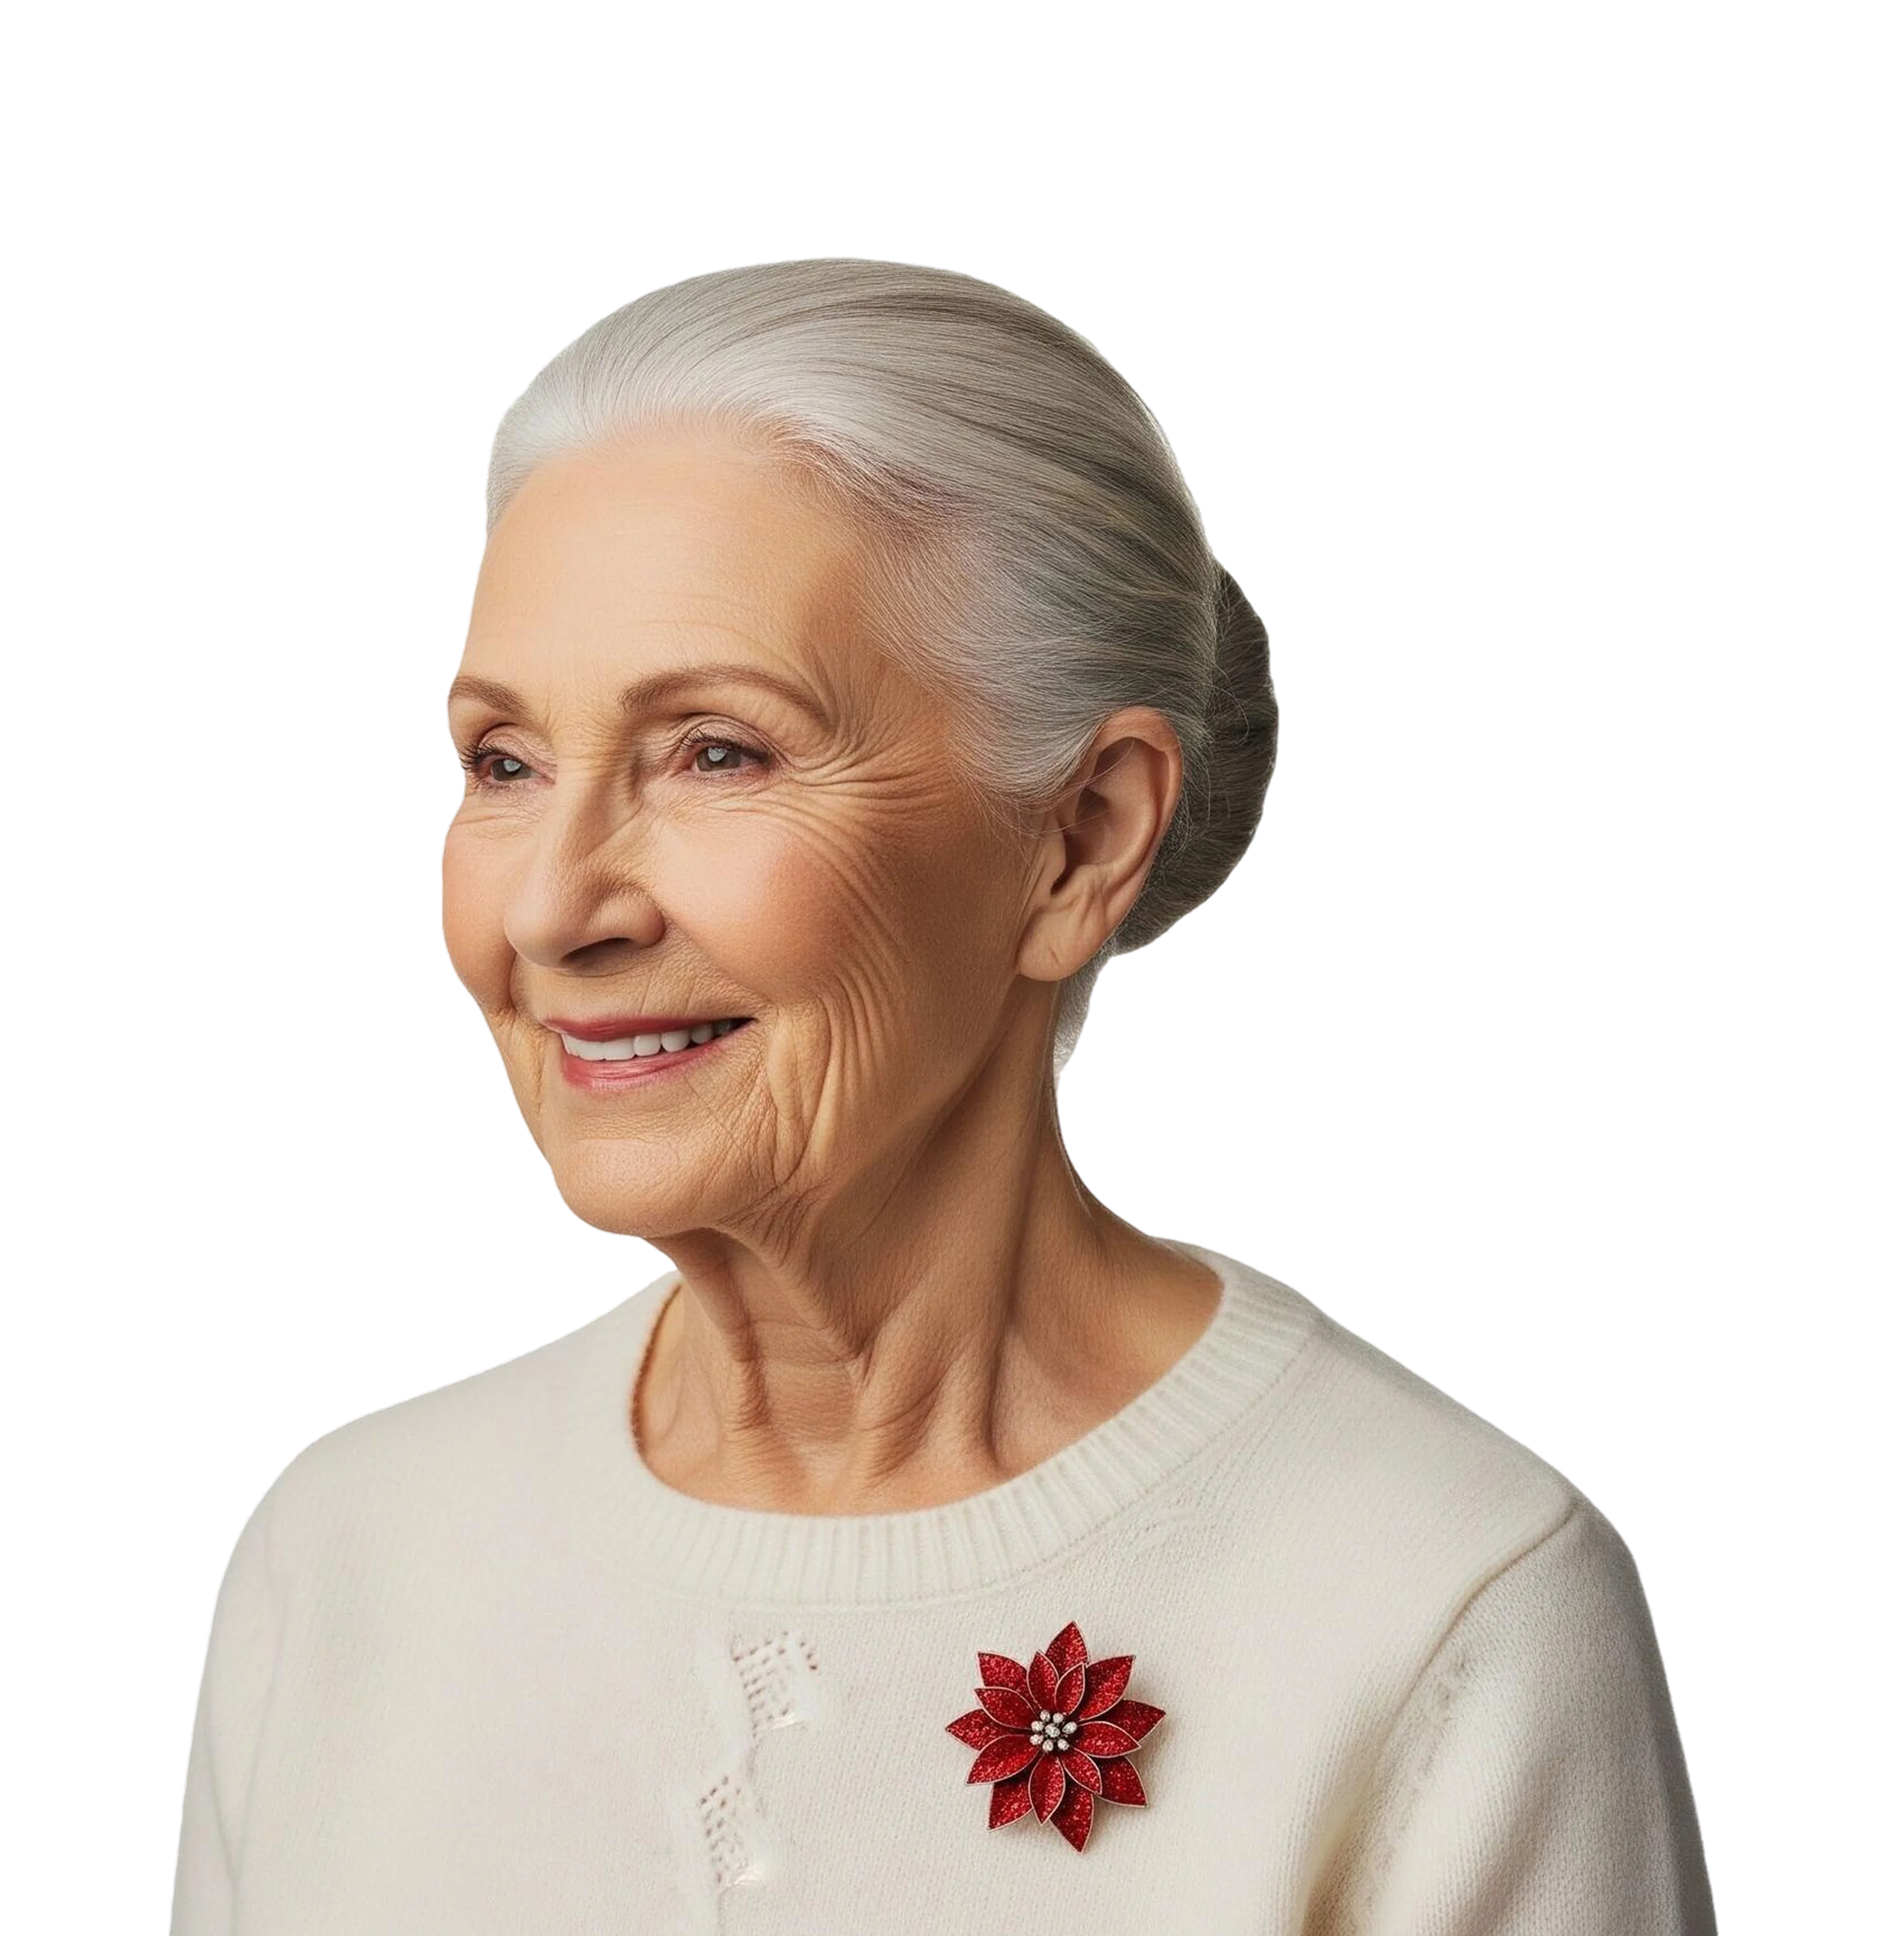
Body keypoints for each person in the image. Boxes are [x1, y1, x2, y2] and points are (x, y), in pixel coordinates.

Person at [168, 258, 1716, 1932]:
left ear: (1079, 838)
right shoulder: (349, 1550)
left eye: (716, 752)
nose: (550, 911)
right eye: (504, 765)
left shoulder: (1439, 1605)